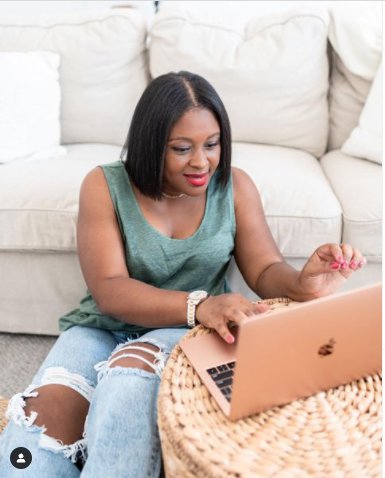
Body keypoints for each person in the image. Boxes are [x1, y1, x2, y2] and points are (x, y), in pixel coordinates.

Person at [0, 71, 366, 478]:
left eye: (212, 144)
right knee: (41, 421)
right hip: (100, 327)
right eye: (181, 148)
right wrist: (201, 304)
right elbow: (110, 290)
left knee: (126, 383)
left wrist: (303, 283)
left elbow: (264, 268)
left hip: (181, 331)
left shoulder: (235, 186)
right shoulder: (104, 185)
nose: (201, 161)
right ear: (150, 144)